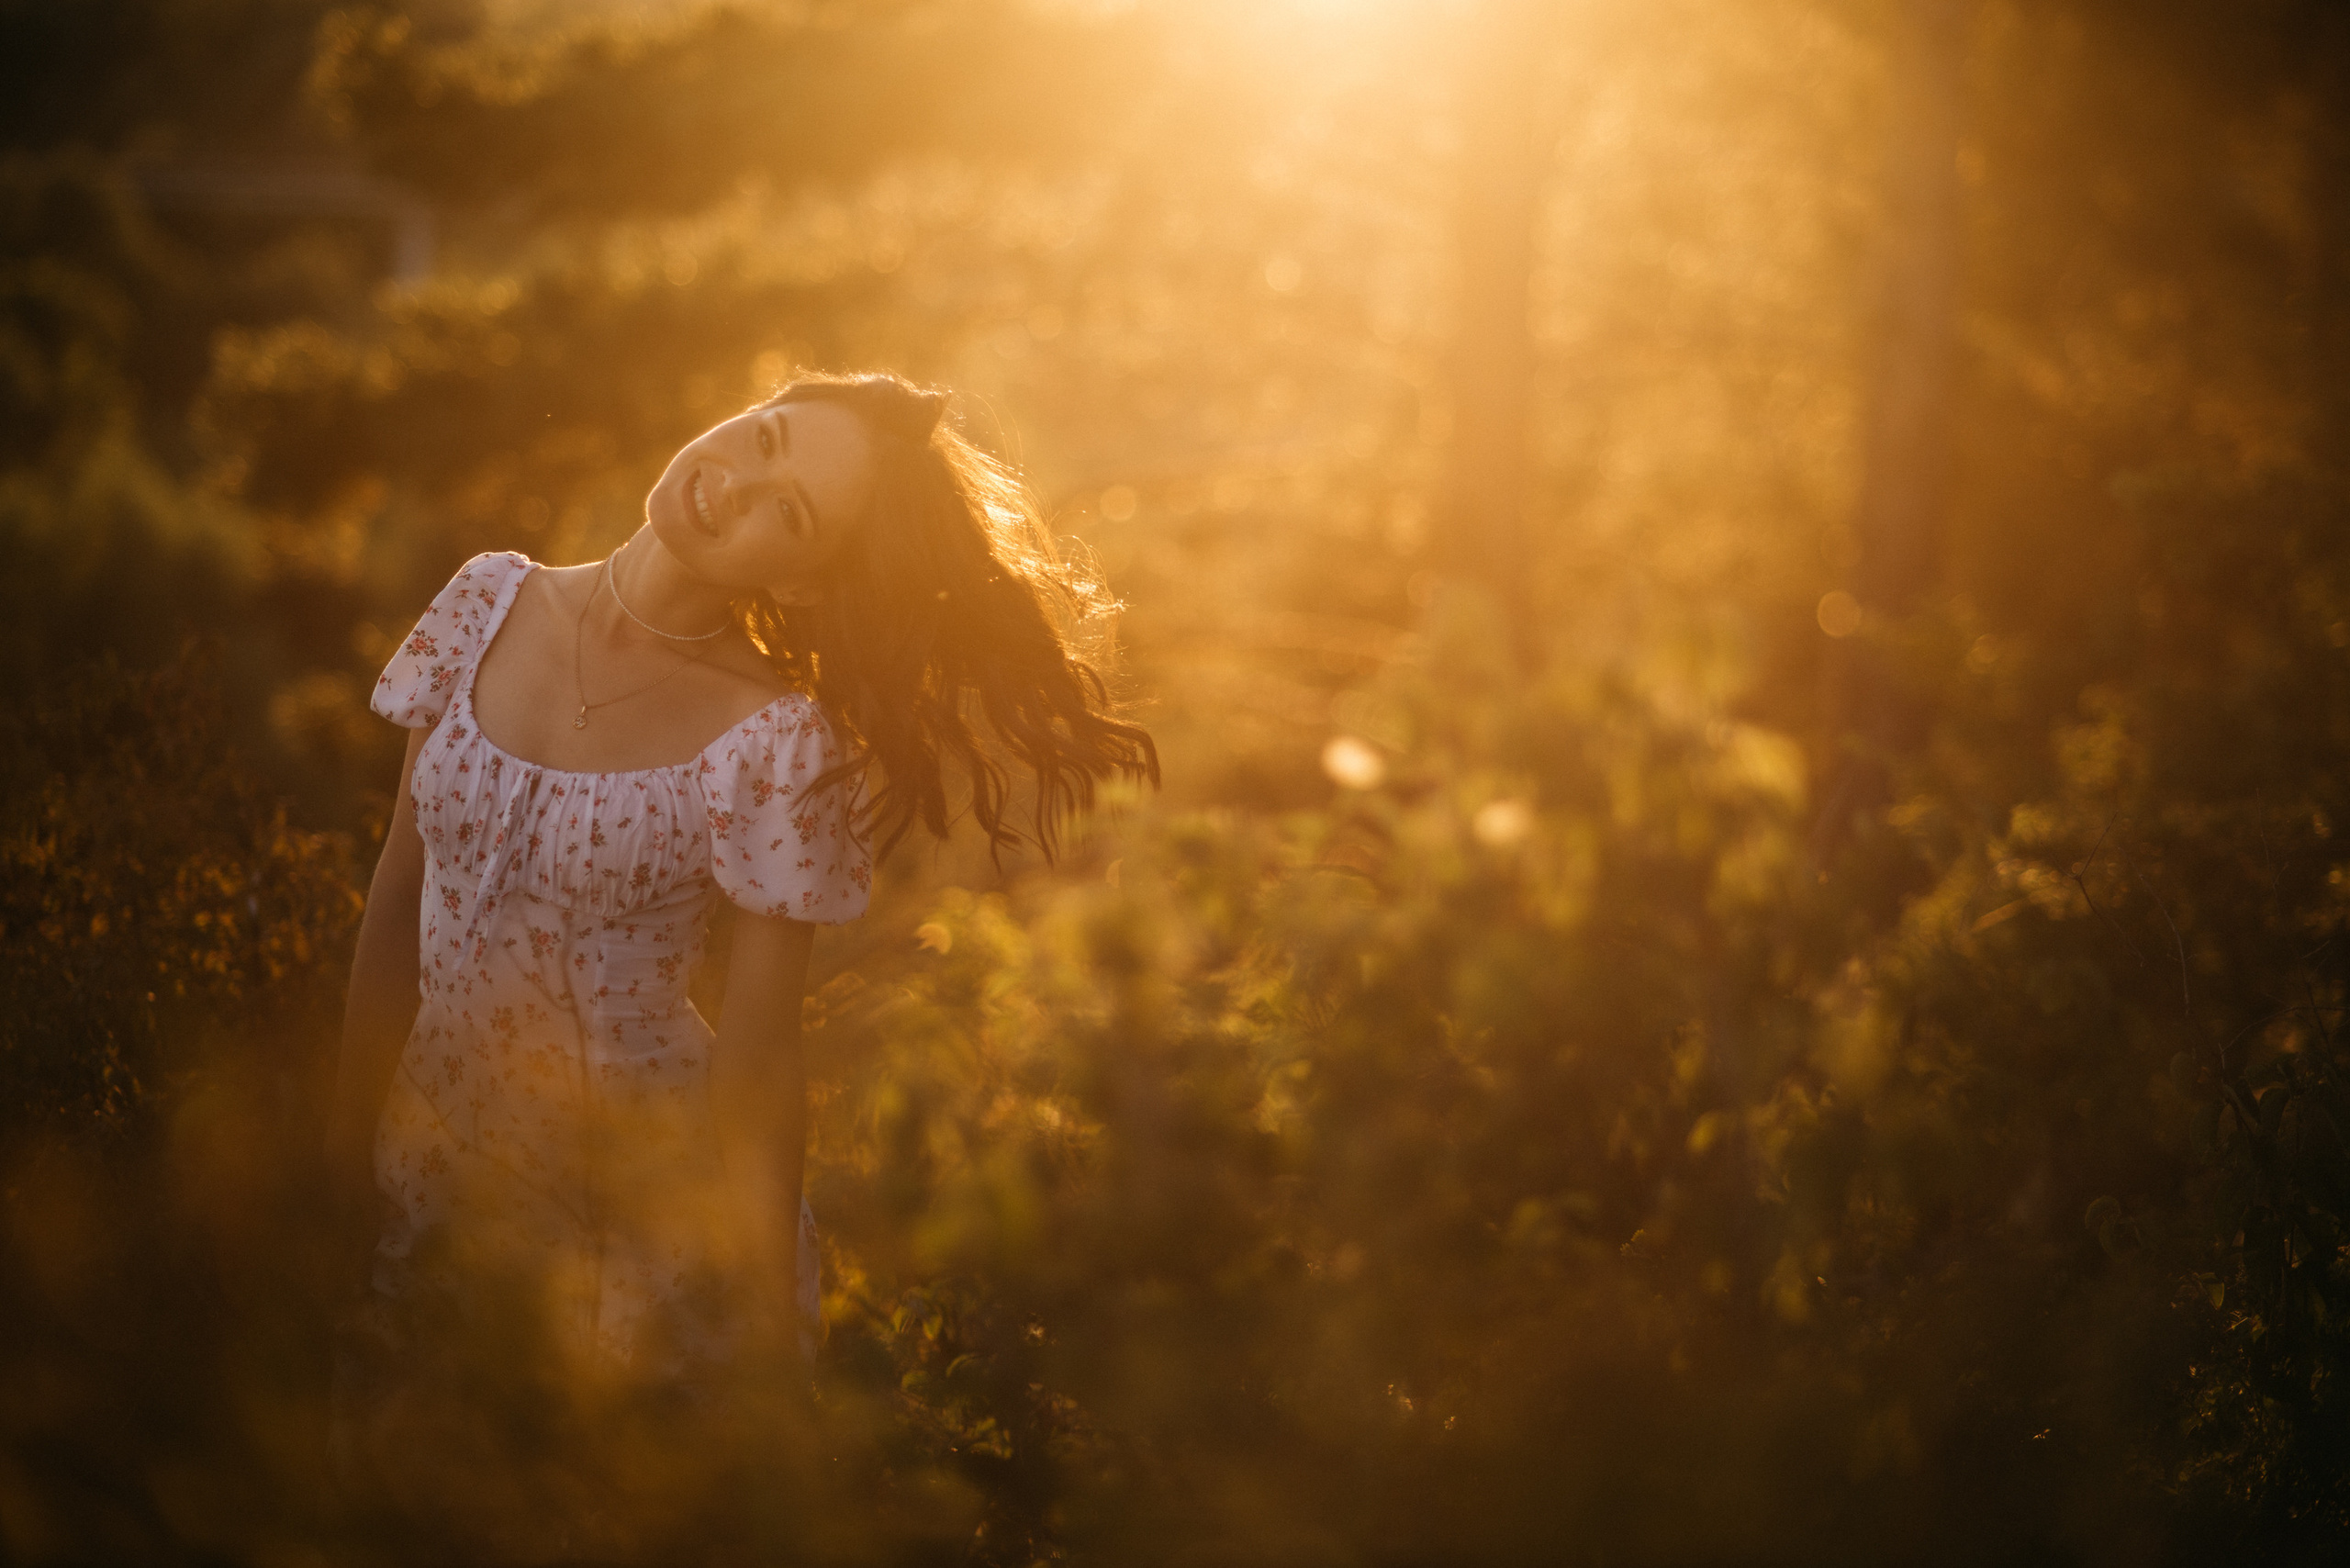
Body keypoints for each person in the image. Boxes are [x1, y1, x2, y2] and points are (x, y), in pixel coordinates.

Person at [322, 370, 1156, 1543]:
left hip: (629, 1232)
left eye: (792, 511)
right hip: (427, 1181)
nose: (738, 483)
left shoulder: (775, 738)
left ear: (804, 576)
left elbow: (759, 1067)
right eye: (762, 439)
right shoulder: (484, 600)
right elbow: (394, 908)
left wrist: (769, 1357)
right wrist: (334, 1163)